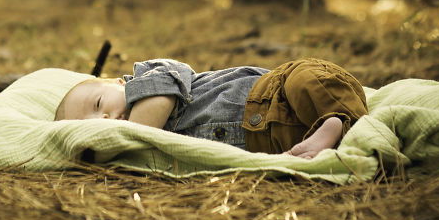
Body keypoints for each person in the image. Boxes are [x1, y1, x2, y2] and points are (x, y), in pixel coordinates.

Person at [53, 57, 368, 160]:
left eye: (98, 104)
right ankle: (320, 139)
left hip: (274, 93)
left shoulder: (149, 75)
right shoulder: (143, 153)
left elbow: (162, 94)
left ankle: (335, 121)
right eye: (90, 122)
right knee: (297, 139)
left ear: (119, 84)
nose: (104, 118)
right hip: (273, 142)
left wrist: (126, 134)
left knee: (309, 77)